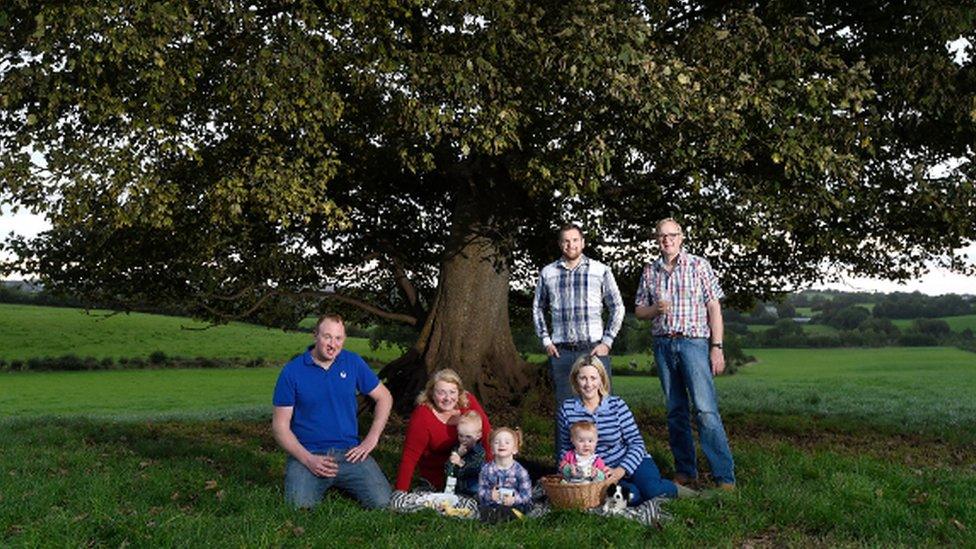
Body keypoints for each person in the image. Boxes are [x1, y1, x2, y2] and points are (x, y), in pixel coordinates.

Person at [634, 217, 736, 490]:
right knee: (675, 410)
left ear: (681, 237)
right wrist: (655, 309)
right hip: (664, 345)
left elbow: (714, 307)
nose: (667, 240)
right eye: (661, 236)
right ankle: (686, 471)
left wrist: (717, 347)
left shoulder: (699, 265)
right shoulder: (650, 271)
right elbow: (639, 310)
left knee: (705, 411)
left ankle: (724, 476)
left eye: (672, 235)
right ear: (657, 240)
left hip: (694, 344)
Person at [271, 313, 393, 509]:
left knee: (384, 503)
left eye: (338, 338)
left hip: (350, 454)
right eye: (327, 336)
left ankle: (341, 481)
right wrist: (308, 459)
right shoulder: (292, 372)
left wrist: (372, 438)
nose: (332, 344)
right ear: (315, 336)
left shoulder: (353, 362)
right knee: (299, 508)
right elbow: (280, 427)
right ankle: (327, 482)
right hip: (309, 454)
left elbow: (384, 397)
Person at [532, 222, 624, 460]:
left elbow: (617, 307)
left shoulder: (600, 269)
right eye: (565, 240)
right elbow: (538, 307)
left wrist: (608, 341)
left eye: (575, 240)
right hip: (562, 352)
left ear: (582, 243)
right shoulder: (548, 273)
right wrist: (545, 340)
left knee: (602, 411)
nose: (570, 245)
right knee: (565, 413)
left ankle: (604, 471)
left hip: (594, 350)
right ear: (560, 244)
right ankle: (564, 471)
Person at [556, 355, 697, 504]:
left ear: (601, 379)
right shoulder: (567, 409)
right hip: (600, 473)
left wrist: (621, 470)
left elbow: (637, 443)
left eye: (593, 378)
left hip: (634, 461)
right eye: (583, 378)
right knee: (631, 497)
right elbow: (565, 448)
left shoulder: (617, 405)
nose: (588, 384)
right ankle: (638, 492)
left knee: (652, 490)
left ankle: (674, 489)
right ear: (575, 381)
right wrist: (569, 471)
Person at [395, 369, 492, 492]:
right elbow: (409, 456)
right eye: (441, 392)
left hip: (473, 470)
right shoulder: (423, 415)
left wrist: (493, 474)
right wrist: (400, 492)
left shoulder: (468, 403)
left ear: (459, 393)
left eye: (452, 392)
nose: (447, 398)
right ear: (431, 393)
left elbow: (487, 437)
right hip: (440, 476)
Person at [477, 427, 532, 522]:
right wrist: (490, 495)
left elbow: (527, 495)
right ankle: (493, 516)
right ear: (492, 449)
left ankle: (506, 517)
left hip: (514, 506)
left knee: (516, 510)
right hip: (492, 505)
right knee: (483, 509)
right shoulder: (486, 470)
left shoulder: (520, 471)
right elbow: (481, 491)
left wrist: (514, 499)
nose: (502, 444)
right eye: (497, 442)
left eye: (507, 442)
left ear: (515, 449)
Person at [444, 411, 487, 496]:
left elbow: (473, 469)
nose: (463, 439)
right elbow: (447, 470)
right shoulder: (457, 449)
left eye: (468, 436)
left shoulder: (479, 452)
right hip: (457, 489)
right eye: (460, 435)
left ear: (478, 436)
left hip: (473, 491)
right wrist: (457, 455)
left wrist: (460, 463)